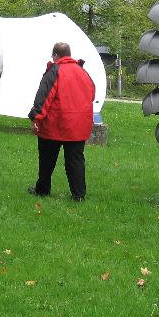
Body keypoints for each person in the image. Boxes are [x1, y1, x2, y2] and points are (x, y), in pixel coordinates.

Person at [28, 42, 95, 201]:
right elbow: (92, 94)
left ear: (56, 55)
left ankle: (42, 190)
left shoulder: (55, 70)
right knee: (75, 160)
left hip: (55, 124)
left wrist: (36, 118)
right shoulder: (83, 72)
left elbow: (44, 96)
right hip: (78, 125)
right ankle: (79, 195)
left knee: (47, 159)